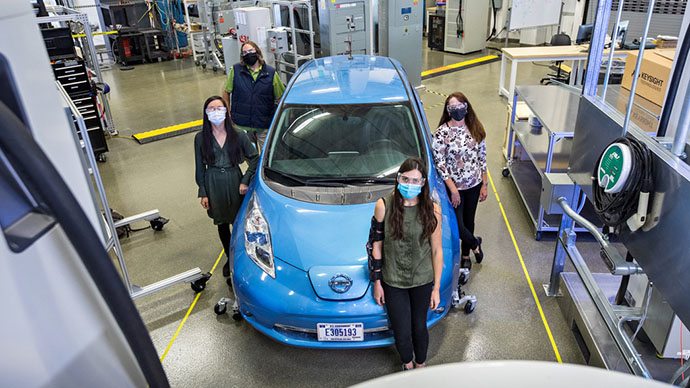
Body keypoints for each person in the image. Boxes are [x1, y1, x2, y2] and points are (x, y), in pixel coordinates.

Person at [370, 157, 443, 371]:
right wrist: (377, 282)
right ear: (398, 178)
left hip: (422, 279)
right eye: (405, 178)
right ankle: (407, 364)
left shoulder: (432, 210)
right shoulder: (383, 206)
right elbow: (376, 245)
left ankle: (420, 365)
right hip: (393, 279)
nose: (409, 185)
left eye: (415, 181)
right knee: (401, 330)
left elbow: (437, 251)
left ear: (423, 184)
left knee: (419, 327)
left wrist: (436, 288)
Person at [195, 96, 259, 277]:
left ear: (226, 111)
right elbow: (200, 167)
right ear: (206, 114)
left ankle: (242, 257)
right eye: (211, 109)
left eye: (219, 108)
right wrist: (203, 192)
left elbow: (254, 157)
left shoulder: (238, 134)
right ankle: (229, 257)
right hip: (213, 181)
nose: (216, 112)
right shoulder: (200, 138)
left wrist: (245, 179)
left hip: (234, 179)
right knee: (221, 223)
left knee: (238, 221)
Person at [431, 92, 487, 270]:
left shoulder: (475, 128)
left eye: (460, 107)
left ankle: (465, 256)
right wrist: (453, 190)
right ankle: (474, 244)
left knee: (469, 221)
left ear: (466, 107)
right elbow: (440, 164)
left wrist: (484, 184)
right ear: (447, 111)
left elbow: (482, 159)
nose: (457, 111)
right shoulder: (441, 133)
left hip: (474, 184)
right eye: (452, 108)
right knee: (458, 225)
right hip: (454, 187)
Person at [222, 41, 285, 152]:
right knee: (248, 156)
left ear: (257, 52)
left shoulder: (270, 73)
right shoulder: (235, 71)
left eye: (250, 51)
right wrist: (228, 113)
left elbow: (280, 98)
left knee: (266, 155)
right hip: (242, 124)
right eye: (244, 52)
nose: (248, 54)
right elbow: (226, 92)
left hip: (263, 124)